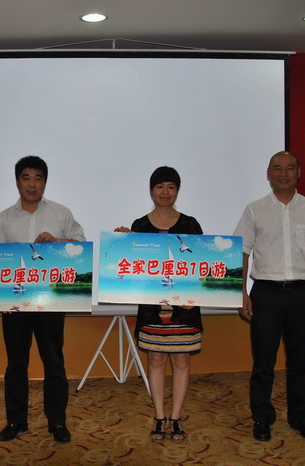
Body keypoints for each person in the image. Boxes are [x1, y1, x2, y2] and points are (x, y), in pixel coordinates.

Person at [233, 151, 305, 442]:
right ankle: (262, 418)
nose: (283, 173)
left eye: (290, 168)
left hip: (301, 294)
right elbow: (242, 252)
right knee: (263, 363)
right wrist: (241, 292)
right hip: (265, 294)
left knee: (300, 362)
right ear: (268, 173)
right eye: (277, 168)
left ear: (299, 172)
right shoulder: (255, 210)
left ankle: (300, 416)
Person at [0, 155, 85, 444]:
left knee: (54, 363)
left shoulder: (61, 213)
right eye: (26, 178)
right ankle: (16, 421)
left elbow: (81, 247)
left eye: (38, 178)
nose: (32, 184)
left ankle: (57, 421)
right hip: (15, 304)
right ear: (17, 181)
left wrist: (57, 241)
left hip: (52, 301)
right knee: (15, 364)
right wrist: (1, 300)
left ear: (45, 181)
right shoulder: (4, 218)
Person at [114, 166, 204, 442]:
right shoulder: (140, 226)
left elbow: (201, 266)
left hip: (184, 309)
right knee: (155, 360)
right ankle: (159, 417)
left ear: (178, 191)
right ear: (151, 190)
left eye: (171, 187)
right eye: (160, 186)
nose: (165, 192)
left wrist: (193, 296)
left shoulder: (190, 225)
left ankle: (175, 418)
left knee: (181, 360)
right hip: (153, 309)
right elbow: (134, 270)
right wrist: (123, 242)